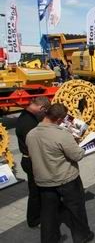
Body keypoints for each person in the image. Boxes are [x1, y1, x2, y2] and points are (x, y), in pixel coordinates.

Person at [26, 103, 94, 243]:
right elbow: (77, 155)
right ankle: (82, 236)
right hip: (66, 179)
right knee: (76, 209)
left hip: (43, 181)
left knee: (48, 214)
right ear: (58, 120)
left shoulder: (31, 134)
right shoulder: (62, 135)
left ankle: (49, 239)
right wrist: (78, 144)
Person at [15, 97, 51, 228]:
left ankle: (39, 214)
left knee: (37, 189)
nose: (44, 114)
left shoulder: (26, 115)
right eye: (45, 111)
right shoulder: (28, 123)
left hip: (29, 159)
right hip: (31, 160)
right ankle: (34, 219)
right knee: (35, 191)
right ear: (41, 108)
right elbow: (34, 144)